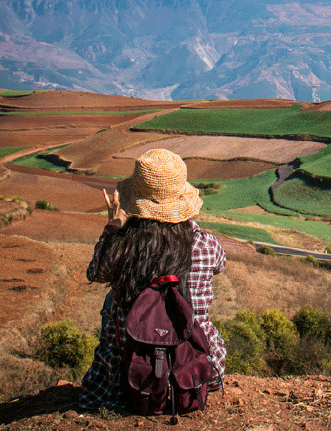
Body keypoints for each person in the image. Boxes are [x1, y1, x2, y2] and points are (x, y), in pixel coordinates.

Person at [79, 148, 226, 411]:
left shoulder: (121, 247)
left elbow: (95, 272)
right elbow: (220, 265)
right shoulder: (205, 244)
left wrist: (113, 225)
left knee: (111, 300)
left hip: (128, 377)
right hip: (194, 370)